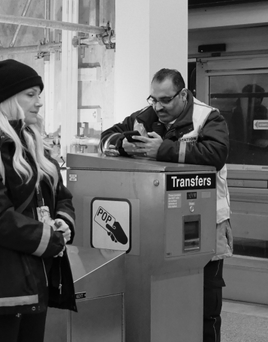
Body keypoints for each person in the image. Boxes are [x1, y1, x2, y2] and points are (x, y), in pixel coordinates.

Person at [100, 68, 233, 342]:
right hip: (159, 226)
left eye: (165, 100)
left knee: (206, 305)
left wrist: (162, 150)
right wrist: (123, 143)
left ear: (183, 94)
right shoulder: (146, 116)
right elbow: (107, 138)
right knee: (167, 302)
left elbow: (215, 154)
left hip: (206, 223)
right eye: (153, 99)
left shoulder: (208, 117)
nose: (158, 107)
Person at [0, 59, 77, 342]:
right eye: (30, 94)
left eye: (39, 94)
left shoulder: (34, 145)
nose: (39, 102)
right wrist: (51, 240)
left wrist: (63, 222)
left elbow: (62, 196)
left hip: (35, 277)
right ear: (7, 98)